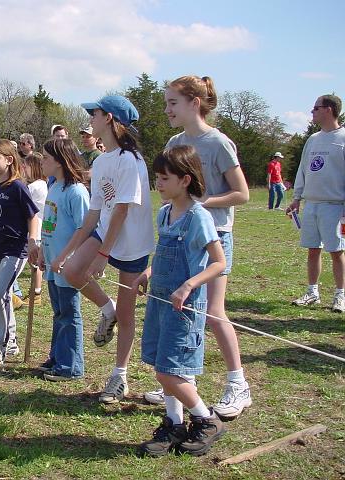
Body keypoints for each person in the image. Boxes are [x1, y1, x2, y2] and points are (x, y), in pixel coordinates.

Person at [144, 75, 251, 421]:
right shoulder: (176, 141)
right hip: (178, 236)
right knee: (175, 311)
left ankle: (238, 384)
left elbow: (242, 193)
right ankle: (174, 378)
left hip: (213, 235)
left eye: (173, 103)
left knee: (213, 313)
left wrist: (202, 203)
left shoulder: (218, 142)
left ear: (195, 103)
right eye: (166, 103)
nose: (167, 110)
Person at [61, 95, 154, 403]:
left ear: (110, 119)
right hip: (104, 231)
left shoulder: (131, 160)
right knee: (73, 271)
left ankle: (119, 376)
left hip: (131, 243)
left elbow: (123, 210)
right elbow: (95, 212)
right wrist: (67, 252)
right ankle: (107, 308)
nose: (90, 118)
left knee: (128, 315)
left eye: (95, 113)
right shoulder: (101, 161)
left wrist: (103, 255)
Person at [138, 145, 227, 457]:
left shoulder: (197, 217)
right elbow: (164, 253)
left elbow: (218, 263)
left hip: (183, 308)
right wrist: (148, 271)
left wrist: (188, 285)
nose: (158, 184)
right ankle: (174, 424)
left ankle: (206, 419)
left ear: (185, 180)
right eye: (157, 178)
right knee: (163, 364)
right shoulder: (165, 212)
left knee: (168, 370)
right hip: (160, 302)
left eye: (164, 178)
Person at [30, 139, 89, 381]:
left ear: (59, 161)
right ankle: (57, 357)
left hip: (68, 264)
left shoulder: (76, 192)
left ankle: (71, 366)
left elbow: (84, 229)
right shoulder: (53, 187)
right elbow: (48, 226)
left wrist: (64, 257)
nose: (41, 162)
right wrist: (44, 253)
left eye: (45, 158)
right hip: (53, 263)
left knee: (69, 314)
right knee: (59, 313)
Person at [0, 139, 39, 364]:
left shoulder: (18, 186)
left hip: (15, 250)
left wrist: (32, 240)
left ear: (9, 160)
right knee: (0, 297)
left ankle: (1, 344)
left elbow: (32, 215)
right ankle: (10, 340)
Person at [288, 94, 345, 313]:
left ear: (328, 110)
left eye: (315, 108)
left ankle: (340, 295)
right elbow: (303, 170)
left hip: (335, 205)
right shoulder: (313, 139)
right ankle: (312, 292)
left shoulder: (342, 138)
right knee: (313, 250)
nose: (312, 112)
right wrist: (296, 199)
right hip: (312, 204)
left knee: (337, 251)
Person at [22, 153, 48, 306]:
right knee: (33, 262)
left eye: (27, 166)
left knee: (35, 262)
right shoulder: (39, 184)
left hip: (36, 229)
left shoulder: (36, 186)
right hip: (35, 229)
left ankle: (36, 293)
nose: (24, 168)